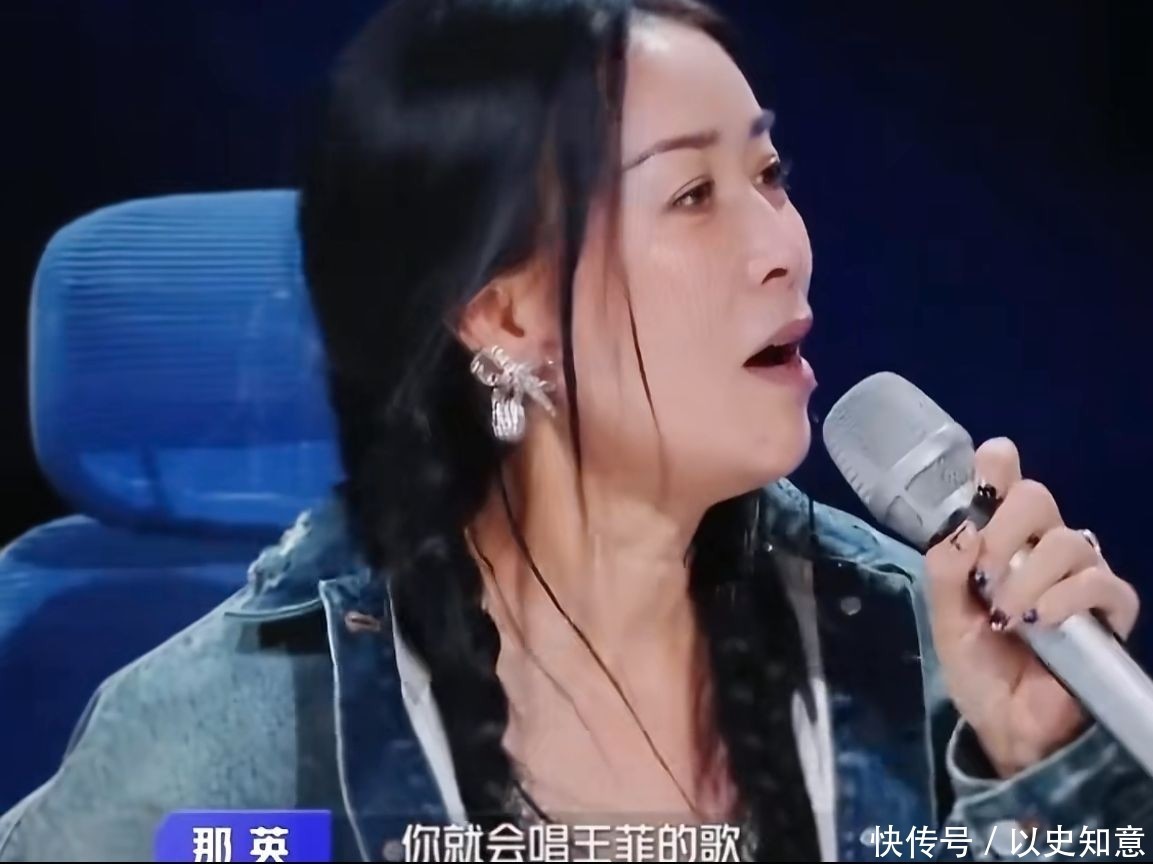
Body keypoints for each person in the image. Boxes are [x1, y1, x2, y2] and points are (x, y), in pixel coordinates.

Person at [2, 0, 1151, 860]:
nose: (784, 246)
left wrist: (1039, 766)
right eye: (692, 196)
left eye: (768, 173)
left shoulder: (926, 651)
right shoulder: (240, 735)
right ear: (505, 320)